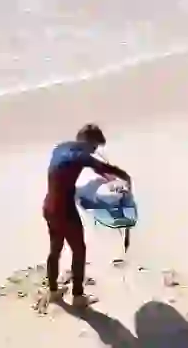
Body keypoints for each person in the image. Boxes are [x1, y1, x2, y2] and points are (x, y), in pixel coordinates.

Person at [43, 124, 131, 308]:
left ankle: (52, 292)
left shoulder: (61, 148)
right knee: (79, 250)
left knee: (55, 249)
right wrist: (125, 176)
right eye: (94, 146)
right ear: (88, 141)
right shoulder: (81, 156)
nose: (93, 151)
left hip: (49, 207)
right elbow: (103, 167)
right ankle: (78, 297)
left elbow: (78, 170)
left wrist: (106, 178)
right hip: (65, 210)